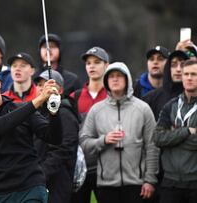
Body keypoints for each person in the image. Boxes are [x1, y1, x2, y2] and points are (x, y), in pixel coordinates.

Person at [0, 65, 62, 203]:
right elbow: (0, 126)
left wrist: (54, 113)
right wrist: (39, 100)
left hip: (30, 188)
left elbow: (54, 137)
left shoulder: (21, 108)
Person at [80, 62, 159, 203]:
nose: (115, 79)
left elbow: (152, 146)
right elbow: (84, 142)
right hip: (106, 186)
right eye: (111, 76)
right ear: (106, 80)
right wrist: (103, 140)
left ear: (127, 79)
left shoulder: (143, 109)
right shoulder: (96, 110)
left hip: (137, 185)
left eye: (119, 76)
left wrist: (150, 180)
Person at [153, 59, 197, 203]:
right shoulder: (170, 106)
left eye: (194, 74)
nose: (189, 78)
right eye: (186, 74)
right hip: (170, 183)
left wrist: (172, 138)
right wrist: (185, 132)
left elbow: (165, 138)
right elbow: (158, 138)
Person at [69, 46, 109, 203]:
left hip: (106, 167)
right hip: (81, 166)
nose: (91, 66)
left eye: (97, 62)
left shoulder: (112, 95)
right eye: (88, 63)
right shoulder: (75, 97)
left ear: (106, 65)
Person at [34, 70, 79, 203]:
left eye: (47, 85)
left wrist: (41, 173)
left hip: (57, 183)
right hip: (38, 181)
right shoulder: (37, 114)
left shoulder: (65, 113)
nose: (42, 89)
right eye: (40, 85)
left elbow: (63, 150)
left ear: (59, 91)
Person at [143, 50, 190, 121]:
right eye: (173, 65)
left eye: (183, 65)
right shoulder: (151, 99)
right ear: (168, 68)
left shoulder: (193, 97)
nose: (178, 69)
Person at [36, 33, 81, 97]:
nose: (48, 49)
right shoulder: (32, 78)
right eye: (44, 46)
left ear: (60, 50)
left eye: (52, 46)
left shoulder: (72, 80)